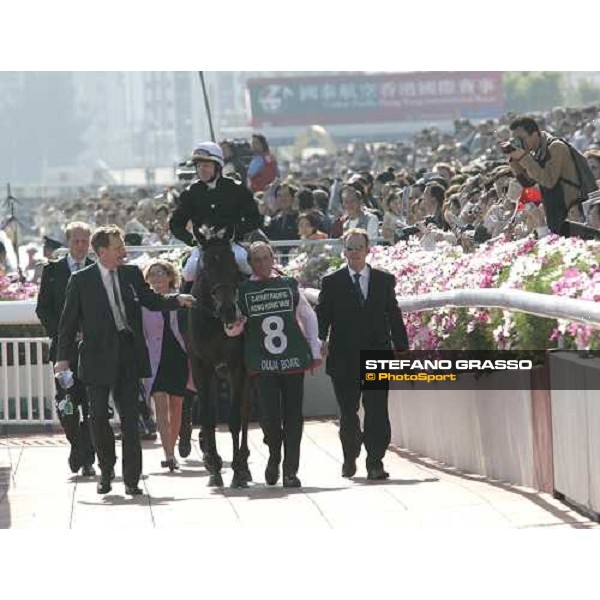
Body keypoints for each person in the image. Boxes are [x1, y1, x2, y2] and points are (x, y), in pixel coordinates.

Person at [55, 225, 195, 496]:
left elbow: (151, 300)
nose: (124, 252)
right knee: (97, 417)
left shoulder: (131, 274)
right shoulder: (81, 280)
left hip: (128, 356)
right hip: (95, 358)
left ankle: (132, 479)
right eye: (118, 248)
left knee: (131, 419)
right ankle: (106, 470)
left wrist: (176, 300)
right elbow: (67, 324)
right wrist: (62, 359)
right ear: (102, 251)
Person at [315, 228, 409, 480]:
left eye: (359, 247)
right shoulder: (331, 282)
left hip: (376, 352)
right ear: (343, 251)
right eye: (350, 247)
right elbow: (322, 316)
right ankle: (350, 454)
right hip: (343, 356)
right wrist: (319, 340)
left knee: (377, 408)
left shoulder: (383, 280)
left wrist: (401, 347)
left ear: (368, 250)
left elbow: (394, 314)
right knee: (348, 411)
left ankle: (375, 461)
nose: (354, 252)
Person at [226, 242, 321, 487]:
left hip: (292, 359)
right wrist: (232, 326)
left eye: (265, 258)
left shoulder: (289, 284)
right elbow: (235, 328)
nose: (261, 264)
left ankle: (290, 470)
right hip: (262, 362)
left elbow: (308, 315)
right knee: (269, 416)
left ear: (273, 258)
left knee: (293, 416)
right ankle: (274, 455)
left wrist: (314, 348)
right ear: (250, 264)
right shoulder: (243, 290)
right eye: (255, 260)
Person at [35, 222, 96, 477]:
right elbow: (43, 309)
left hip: (94, 351)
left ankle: (89, 456)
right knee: (67, 403)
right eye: (76, 241)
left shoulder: (98, 269)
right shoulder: (53, 271)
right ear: (68, 242)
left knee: (93, 404)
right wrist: (63, 334)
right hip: (63, 352)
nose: (81, 246)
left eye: (85, 241)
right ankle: (77, 444)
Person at [169, 141, 261, 279]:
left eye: (206, 165)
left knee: (245, 263)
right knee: (189, 272)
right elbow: (175, 224)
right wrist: (192, 240)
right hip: (203, 248)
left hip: (231, 245)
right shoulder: (190, 193)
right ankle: (187, 300)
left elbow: (254, 218)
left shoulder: (236, 189)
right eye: (198, 166)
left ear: (217, 167)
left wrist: (235, 232)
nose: (201, 170)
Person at [507, 116, 594, 235]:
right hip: (556, 211)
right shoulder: (537, 152)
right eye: (515, 140)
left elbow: (549, 181)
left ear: (535, 134)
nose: (519, 143)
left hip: (572, 211)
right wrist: (514, 162)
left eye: (521, 139)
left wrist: (524, 158)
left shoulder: (555, 147)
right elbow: (528, 183)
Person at [141, 259, 189, 471]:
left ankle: (173, 446)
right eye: (152, 274)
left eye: (161, 273)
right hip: (155, 359)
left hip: (178, 357)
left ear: (170, 276)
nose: (156, 278)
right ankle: (169, 455)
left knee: (176, 407)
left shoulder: (181, 300)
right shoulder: (144, 303)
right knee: (160, 406)